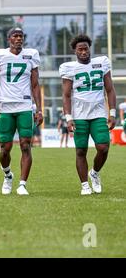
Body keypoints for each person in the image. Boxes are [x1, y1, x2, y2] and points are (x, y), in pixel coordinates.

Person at [0, 27, 43, 196]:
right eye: (15, 36)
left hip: (25, 106)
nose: (19, 39)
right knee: (4, 148)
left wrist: (39, 109)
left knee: (26, 145)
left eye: (21, 36)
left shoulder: (31, 55)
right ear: (9, 39)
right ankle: (7, 175)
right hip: (5, 106)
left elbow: (35, 84)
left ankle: (22, 184)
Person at [59, 34, 116, 195]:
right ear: (75, 51)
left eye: (86, 49)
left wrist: (112, 112)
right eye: (80, 49)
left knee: (103, 147)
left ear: (89, 49)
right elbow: (66, 95)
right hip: (79, 115)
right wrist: (68, 117)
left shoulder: (101, 63)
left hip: (98, 113)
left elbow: (110, 89)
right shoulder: (69, 68)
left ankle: (95, 173)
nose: (84, 52)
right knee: (81, 151)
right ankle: (85, 185)